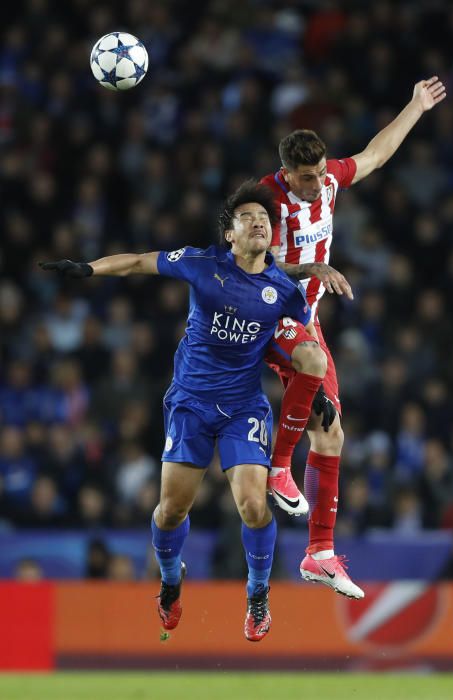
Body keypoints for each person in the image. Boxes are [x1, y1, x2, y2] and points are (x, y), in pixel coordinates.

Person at [40, 181, 321, 642]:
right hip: (189, 404)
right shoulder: (202, 264)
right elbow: (137, 261)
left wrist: (320, 391)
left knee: (253, 506)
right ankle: (170, 583)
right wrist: (89, 269)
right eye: (247, 218)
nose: (258, 223)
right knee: (171, 511)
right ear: (229, 234)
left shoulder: (284, 291)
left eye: (265, 220)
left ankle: (257, 595)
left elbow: (302, 348)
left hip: (242, 406)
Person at [261, 77, 447, 597]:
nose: (316, 183)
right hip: (273, 315)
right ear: (286, 173)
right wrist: (312, 268)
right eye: (306, 177)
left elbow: (376, 154)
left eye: (320, 173)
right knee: (312, 370)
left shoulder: (330, 183)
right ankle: (279, 468)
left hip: (309, 319)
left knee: (334, 434)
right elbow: (261, 265)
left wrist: (414, 107)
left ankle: (319, 553)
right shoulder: (267, 200)